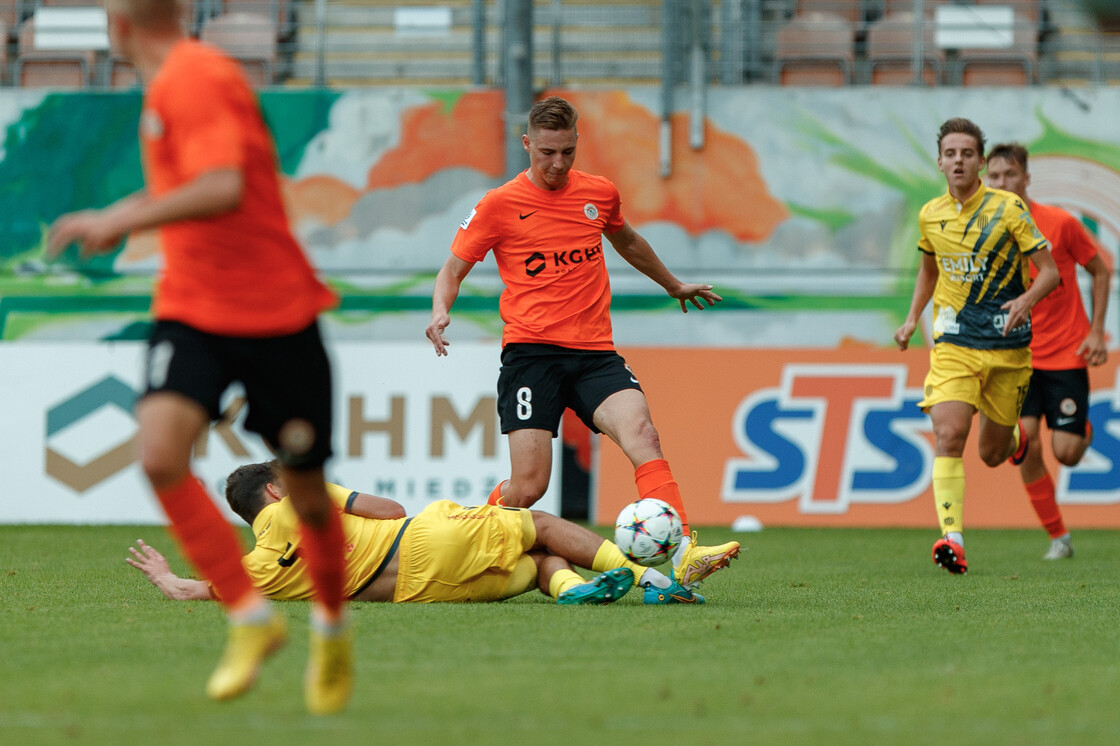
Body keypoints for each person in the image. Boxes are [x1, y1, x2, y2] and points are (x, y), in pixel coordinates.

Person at [45, 0, 350, 714]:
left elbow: (222, 186)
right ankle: (250, 619)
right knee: (159, 454)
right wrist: (124, 211)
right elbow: (190, 184)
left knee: (307, 496)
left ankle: (331, 630)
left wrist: (115, 219)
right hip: (192, 309)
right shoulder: (170, 85)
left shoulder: (196, 77)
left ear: (116, 29)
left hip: (276, 313)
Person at [425, 96, 739, 599]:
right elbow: (453, 268)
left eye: (567, 152)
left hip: (595, 353)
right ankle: (472, 536)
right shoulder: (498, 204)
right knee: (527, 489)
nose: (557, 164)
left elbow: (628, 241)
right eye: (546, 152)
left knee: (644, 436)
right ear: (527, 143)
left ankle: (683, 553)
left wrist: (672, 284)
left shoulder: (599, 193)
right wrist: (442, 309)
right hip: (531, 355)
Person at [127, 461, 703, 606]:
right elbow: (389, 507)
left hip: (422, 590)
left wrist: (167, 576)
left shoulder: (256, 574)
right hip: (424, 538)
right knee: (544, 524)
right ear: (275, 490)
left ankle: (568, 591)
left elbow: (193, 591)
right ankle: (648, 575)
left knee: (535, 564)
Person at [894, 118, 1060, 575]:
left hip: (1007, 350)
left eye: (967, 153)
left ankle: (1019, 438)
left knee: (992, 453)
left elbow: (1049, 272)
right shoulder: (931, 215)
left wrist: (1025, 302)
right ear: (940, 161)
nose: (959, 161)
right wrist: (912, 318)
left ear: (981, 162)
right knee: (948, 435)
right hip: (954, 343)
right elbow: (929, 270)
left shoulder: (1008, 209)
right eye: (951, 154)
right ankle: (953, 537)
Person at [986, 143, 1111, 560]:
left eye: (1010, 175)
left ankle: (1081, 431)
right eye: (995, 176)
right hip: (1016, 357)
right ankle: (1058, 536)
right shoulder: (983, 230)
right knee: (1028, 442)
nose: (1002, 183)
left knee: (1067, 453)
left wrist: (1096, 332)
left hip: (1065, 354)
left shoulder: (1059, 223)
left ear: (1026, 178)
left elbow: (1099, 270)